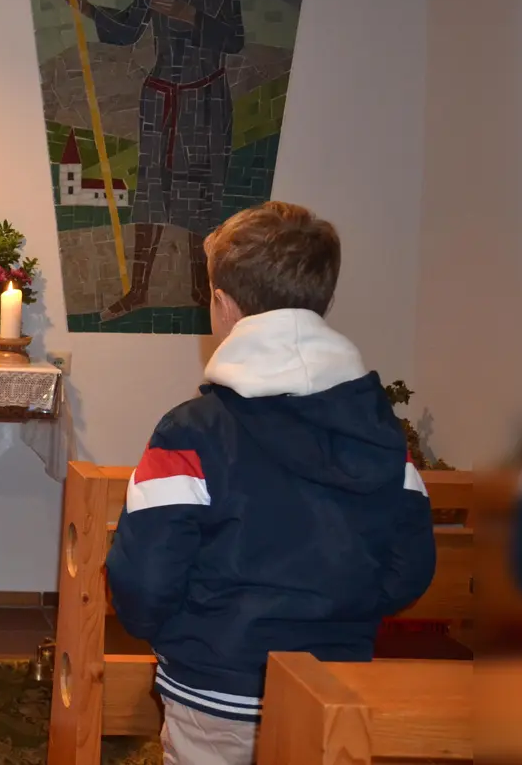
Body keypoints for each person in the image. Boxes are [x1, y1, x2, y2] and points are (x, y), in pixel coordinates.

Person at [105, 201, 436, 765]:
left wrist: (184, 633)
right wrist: (342, 614)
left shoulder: (191, 431)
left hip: (216, 683)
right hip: (332, 688)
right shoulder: (380, 432)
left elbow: (144, 575)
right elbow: (410, 567)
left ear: (225, 305)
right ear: (322, 302)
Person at [54, 0, 245, 320]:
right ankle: (138, 288)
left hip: (207, 99)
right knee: (153, 193)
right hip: (161, 98)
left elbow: (234, 39)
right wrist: (85, 8)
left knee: (202, 193)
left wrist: (192, 16)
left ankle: (204, 289)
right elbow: (126, 31)